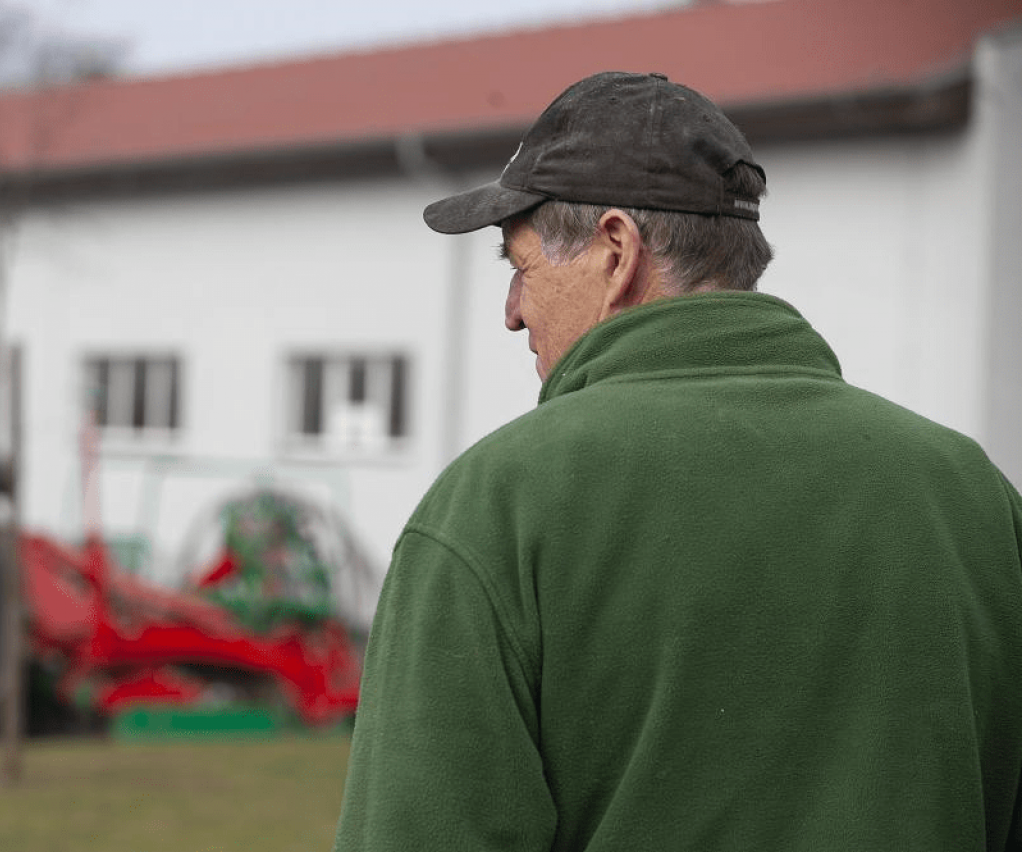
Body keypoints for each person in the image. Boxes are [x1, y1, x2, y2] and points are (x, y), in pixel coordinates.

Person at [332, 71, 1022, 851]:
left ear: (616, 251)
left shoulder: (501, 502)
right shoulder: (973, 494)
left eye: (519, 268)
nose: (512, 313)